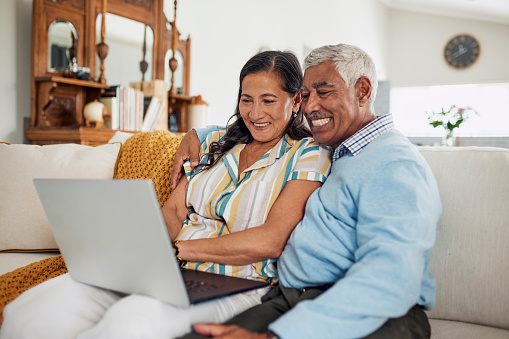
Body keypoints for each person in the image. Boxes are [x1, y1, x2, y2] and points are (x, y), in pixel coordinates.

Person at [0, 51, 331, 339]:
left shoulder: (307, 154)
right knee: (29, 316)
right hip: (167, 268)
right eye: (247, 99)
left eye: (268, 101)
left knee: (128, 326)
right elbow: (174, 213)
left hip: (238, 283)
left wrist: (177, 250)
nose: (255, 113)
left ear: (296, 100)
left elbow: (271, 240)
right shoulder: (216, 141)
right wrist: (143, 252)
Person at [172, 43, 442, 339]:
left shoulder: (393, 163)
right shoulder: (338, 149)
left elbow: (390, 278)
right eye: (306, 95)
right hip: (290, 298)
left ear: (363, 91)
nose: (311, 107)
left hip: (371, 313)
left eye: (324, 92)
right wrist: (197, 134)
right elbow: (256, 127)